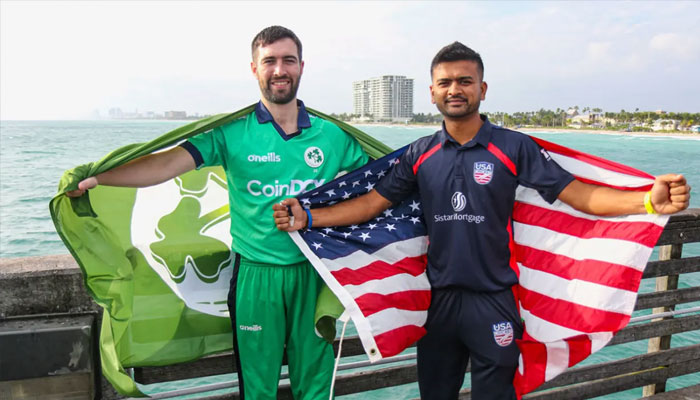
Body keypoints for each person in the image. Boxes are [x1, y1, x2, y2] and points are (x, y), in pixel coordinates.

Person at [272, 42, 691, 399]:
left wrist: (647, 202)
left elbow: (583, 197)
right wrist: (308, 216)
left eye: (465, 81)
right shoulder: (418, 154)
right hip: (438, 306)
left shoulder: (514, 147)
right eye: (445, 82)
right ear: (432, 93)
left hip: (494, 302)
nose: (455, 89)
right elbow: (368, 206)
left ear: (482, 89)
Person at [68, 26, 369, 400]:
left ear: (302, 67)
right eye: (269, 61)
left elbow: (388, 177)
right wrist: (100, 178)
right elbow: (164, 166)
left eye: (288, 60)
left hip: (315, 273)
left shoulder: (332, 136)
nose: (279, 70)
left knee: (316, 386)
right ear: (254, 69)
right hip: (255, 277)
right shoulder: (231, 132)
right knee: (259, 390)